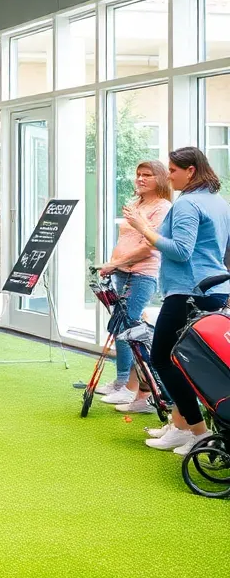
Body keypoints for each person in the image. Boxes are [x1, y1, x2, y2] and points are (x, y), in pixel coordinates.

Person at [122, 147, 230, 455]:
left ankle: (197, 432)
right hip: (212, 289)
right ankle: (181, 426)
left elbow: (181, 250)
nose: (168, 176)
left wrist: (144, 228)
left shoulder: (188, 204)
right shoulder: (218, 202)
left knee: (164, 359)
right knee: (186, 363)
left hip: (189, 293)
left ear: (190, 171)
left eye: (172, 170)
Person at [96, 161, 171, 407]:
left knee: (128, 328)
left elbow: (149, 246)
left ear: (159, 179)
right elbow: (128, 239)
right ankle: (121, 382)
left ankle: (132, 388)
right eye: (138, 174)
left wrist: (115, 263)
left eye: (147, 175)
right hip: (121, 271)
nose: (140, 179)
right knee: (120, 326)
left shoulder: (162, 207)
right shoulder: (135, 205)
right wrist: (114, 264)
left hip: (141, 274)